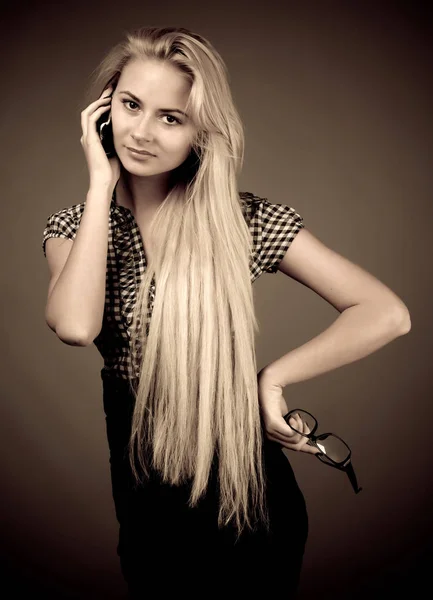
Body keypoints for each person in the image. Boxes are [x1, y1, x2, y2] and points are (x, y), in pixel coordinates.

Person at [42, 26, 411, 598]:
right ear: (104, 107)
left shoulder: (241, 221)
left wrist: (274, 378)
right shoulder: (75, 227)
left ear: (199, 133)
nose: (142, 132)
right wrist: (99, 182)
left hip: (249, 492)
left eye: (171, 117)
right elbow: (74, 325)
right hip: (146, 496)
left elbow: (386, 312)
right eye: (131, 105)